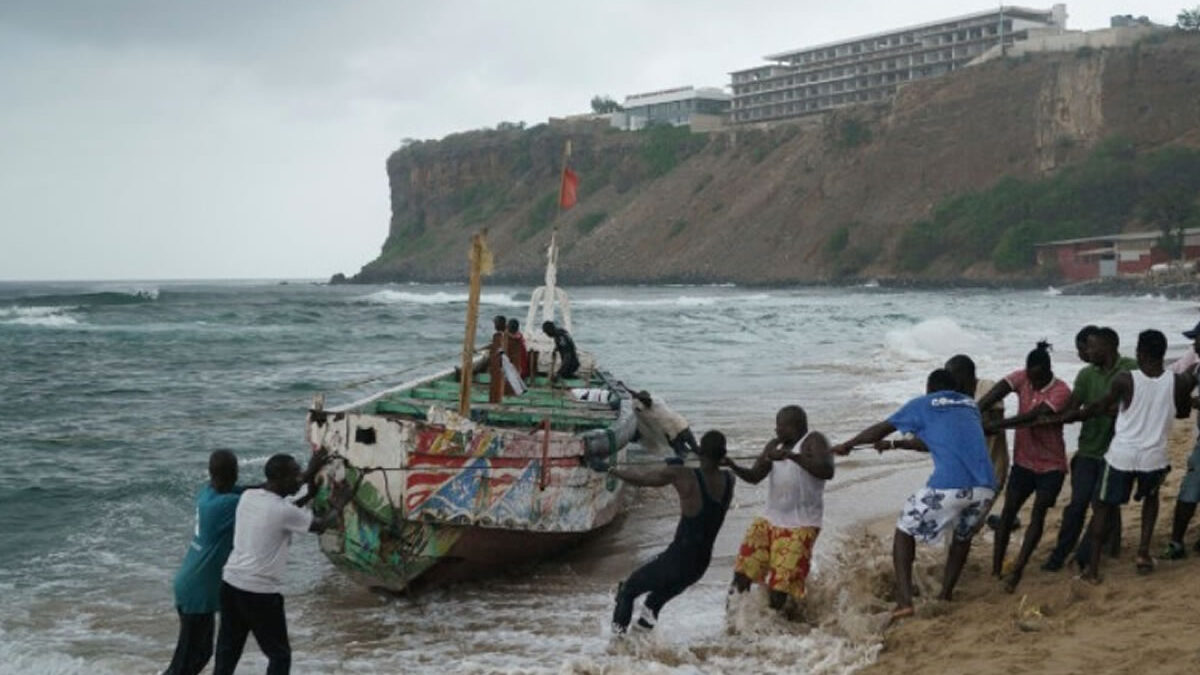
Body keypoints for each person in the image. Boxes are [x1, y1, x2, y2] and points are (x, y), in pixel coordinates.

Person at [832, 369, 996, 622]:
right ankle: (945, 595)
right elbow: (933, 441)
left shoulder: (923, 404)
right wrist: (895, 445)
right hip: (986, 488)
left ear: (930, 388)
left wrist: (848, 445)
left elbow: (880, 429)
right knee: (962, 538)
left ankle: (904, 601)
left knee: (904, 529)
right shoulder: (969, 406)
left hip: (950, 486)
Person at [1079, 329, 1193, 582]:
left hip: (1122, 455)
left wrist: (1084, 412)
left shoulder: (1125, 379)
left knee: (1103, 507)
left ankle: (1093, 569)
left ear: (1140, 353)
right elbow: (1183, 413)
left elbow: (1105, 404)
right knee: (1150, 501)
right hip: (1154, 457)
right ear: (1162, 354)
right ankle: (1142, 553)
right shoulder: (1179, 381)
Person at [213, 451, 341, 675]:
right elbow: (320, 525)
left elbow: (286, 510)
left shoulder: (249, 496)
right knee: (279, 656)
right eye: (295, 473)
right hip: (259, 593)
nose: (299, 477)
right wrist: (341, 503)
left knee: (228, 651)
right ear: (280, 479)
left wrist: (307, 485)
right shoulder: (283, 511)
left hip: (231, 584)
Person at [607, 431, 735, 633]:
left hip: (677, 559)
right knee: (652, 604)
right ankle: (640, 646)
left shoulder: (682, 475)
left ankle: (616, 646)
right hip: (699, 567)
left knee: (627, 591)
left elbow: (643, 479)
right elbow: (713, 468)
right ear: (723, 454)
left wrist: (611, 470)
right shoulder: (730, 480)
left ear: (699, 451)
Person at [976, 341, 1071, 592]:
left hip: (1052, 465)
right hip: (1024, 462)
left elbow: (1032, 417)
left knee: (1037, 513)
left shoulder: (1061, 391)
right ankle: (997, 568)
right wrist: (976, 410)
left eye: (1038, 379)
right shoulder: (1023, 377)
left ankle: (1018, 569)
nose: (1033, 383)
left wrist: (998, 425)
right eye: (1030, 377)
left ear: (1049, 371)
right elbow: (997, 392)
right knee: (1007, 513)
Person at [1043, 327, 1135, 571]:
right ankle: (1060, 554)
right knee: (1077, 505)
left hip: (1117, 451)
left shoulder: (1130, 368)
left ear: (1107, 346)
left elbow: (1133, 406)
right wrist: (1051, 416)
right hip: (1088, 449)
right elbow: (1073, 408)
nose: (1087, 352)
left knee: (1103, 504)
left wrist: (1095, 410)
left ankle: (1084, 556)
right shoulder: (1086, 375)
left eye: (1091, 347)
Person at [727, 406, 834, 616]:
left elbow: (827, 470)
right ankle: (733, 621)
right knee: (742, 573)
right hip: (769, 520)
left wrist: (792, 456)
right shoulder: (774, 445)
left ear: (794, 426)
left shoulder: (814, 441)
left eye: (780, 425)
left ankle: (775, 626)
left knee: (780, 587)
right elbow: (755, 476)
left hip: (802, 525)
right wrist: (733, 465)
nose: (776, 430)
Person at [165, 450, 244, 675]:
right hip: (197, 590)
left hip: (191, 583)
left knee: (198, 654)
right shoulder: (227, 504)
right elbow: (264, 498)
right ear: (235, 473)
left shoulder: (208, 494)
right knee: (186, 662)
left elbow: (252, 490)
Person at [1164, 321, 1200, 559]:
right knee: (1190, 488)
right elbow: (1174, 376)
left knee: (1190, 490)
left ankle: (1177, 541)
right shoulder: (1196, 368)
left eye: (1198, 339)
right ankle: (1177, 541)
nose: (1195, 344)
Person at [632, 389, 699, 460]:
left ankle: (693, 463)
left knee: (682, 454)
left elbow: (641, 405)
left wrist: (634, 396)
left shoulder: (649, 407)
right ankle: (700, 461)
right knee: (693, 449)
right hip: (680, 427)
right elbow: (643, 400)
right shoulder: (657, 402)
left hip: (674, 433)